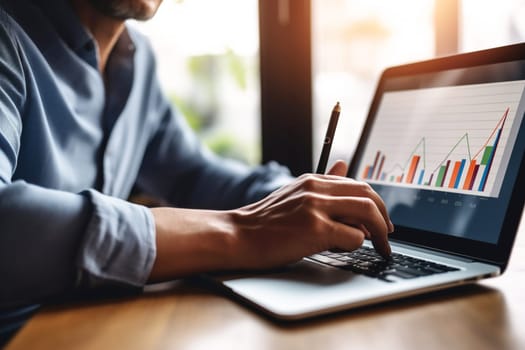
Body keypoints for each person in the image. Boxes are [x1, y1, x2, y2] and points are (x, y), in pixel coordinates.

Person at [0, 0, 393, 344]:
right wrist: (240, 232)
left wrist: (305, 200)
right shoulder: (9, 35)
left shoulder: (137, 64)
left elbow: (195, 176)